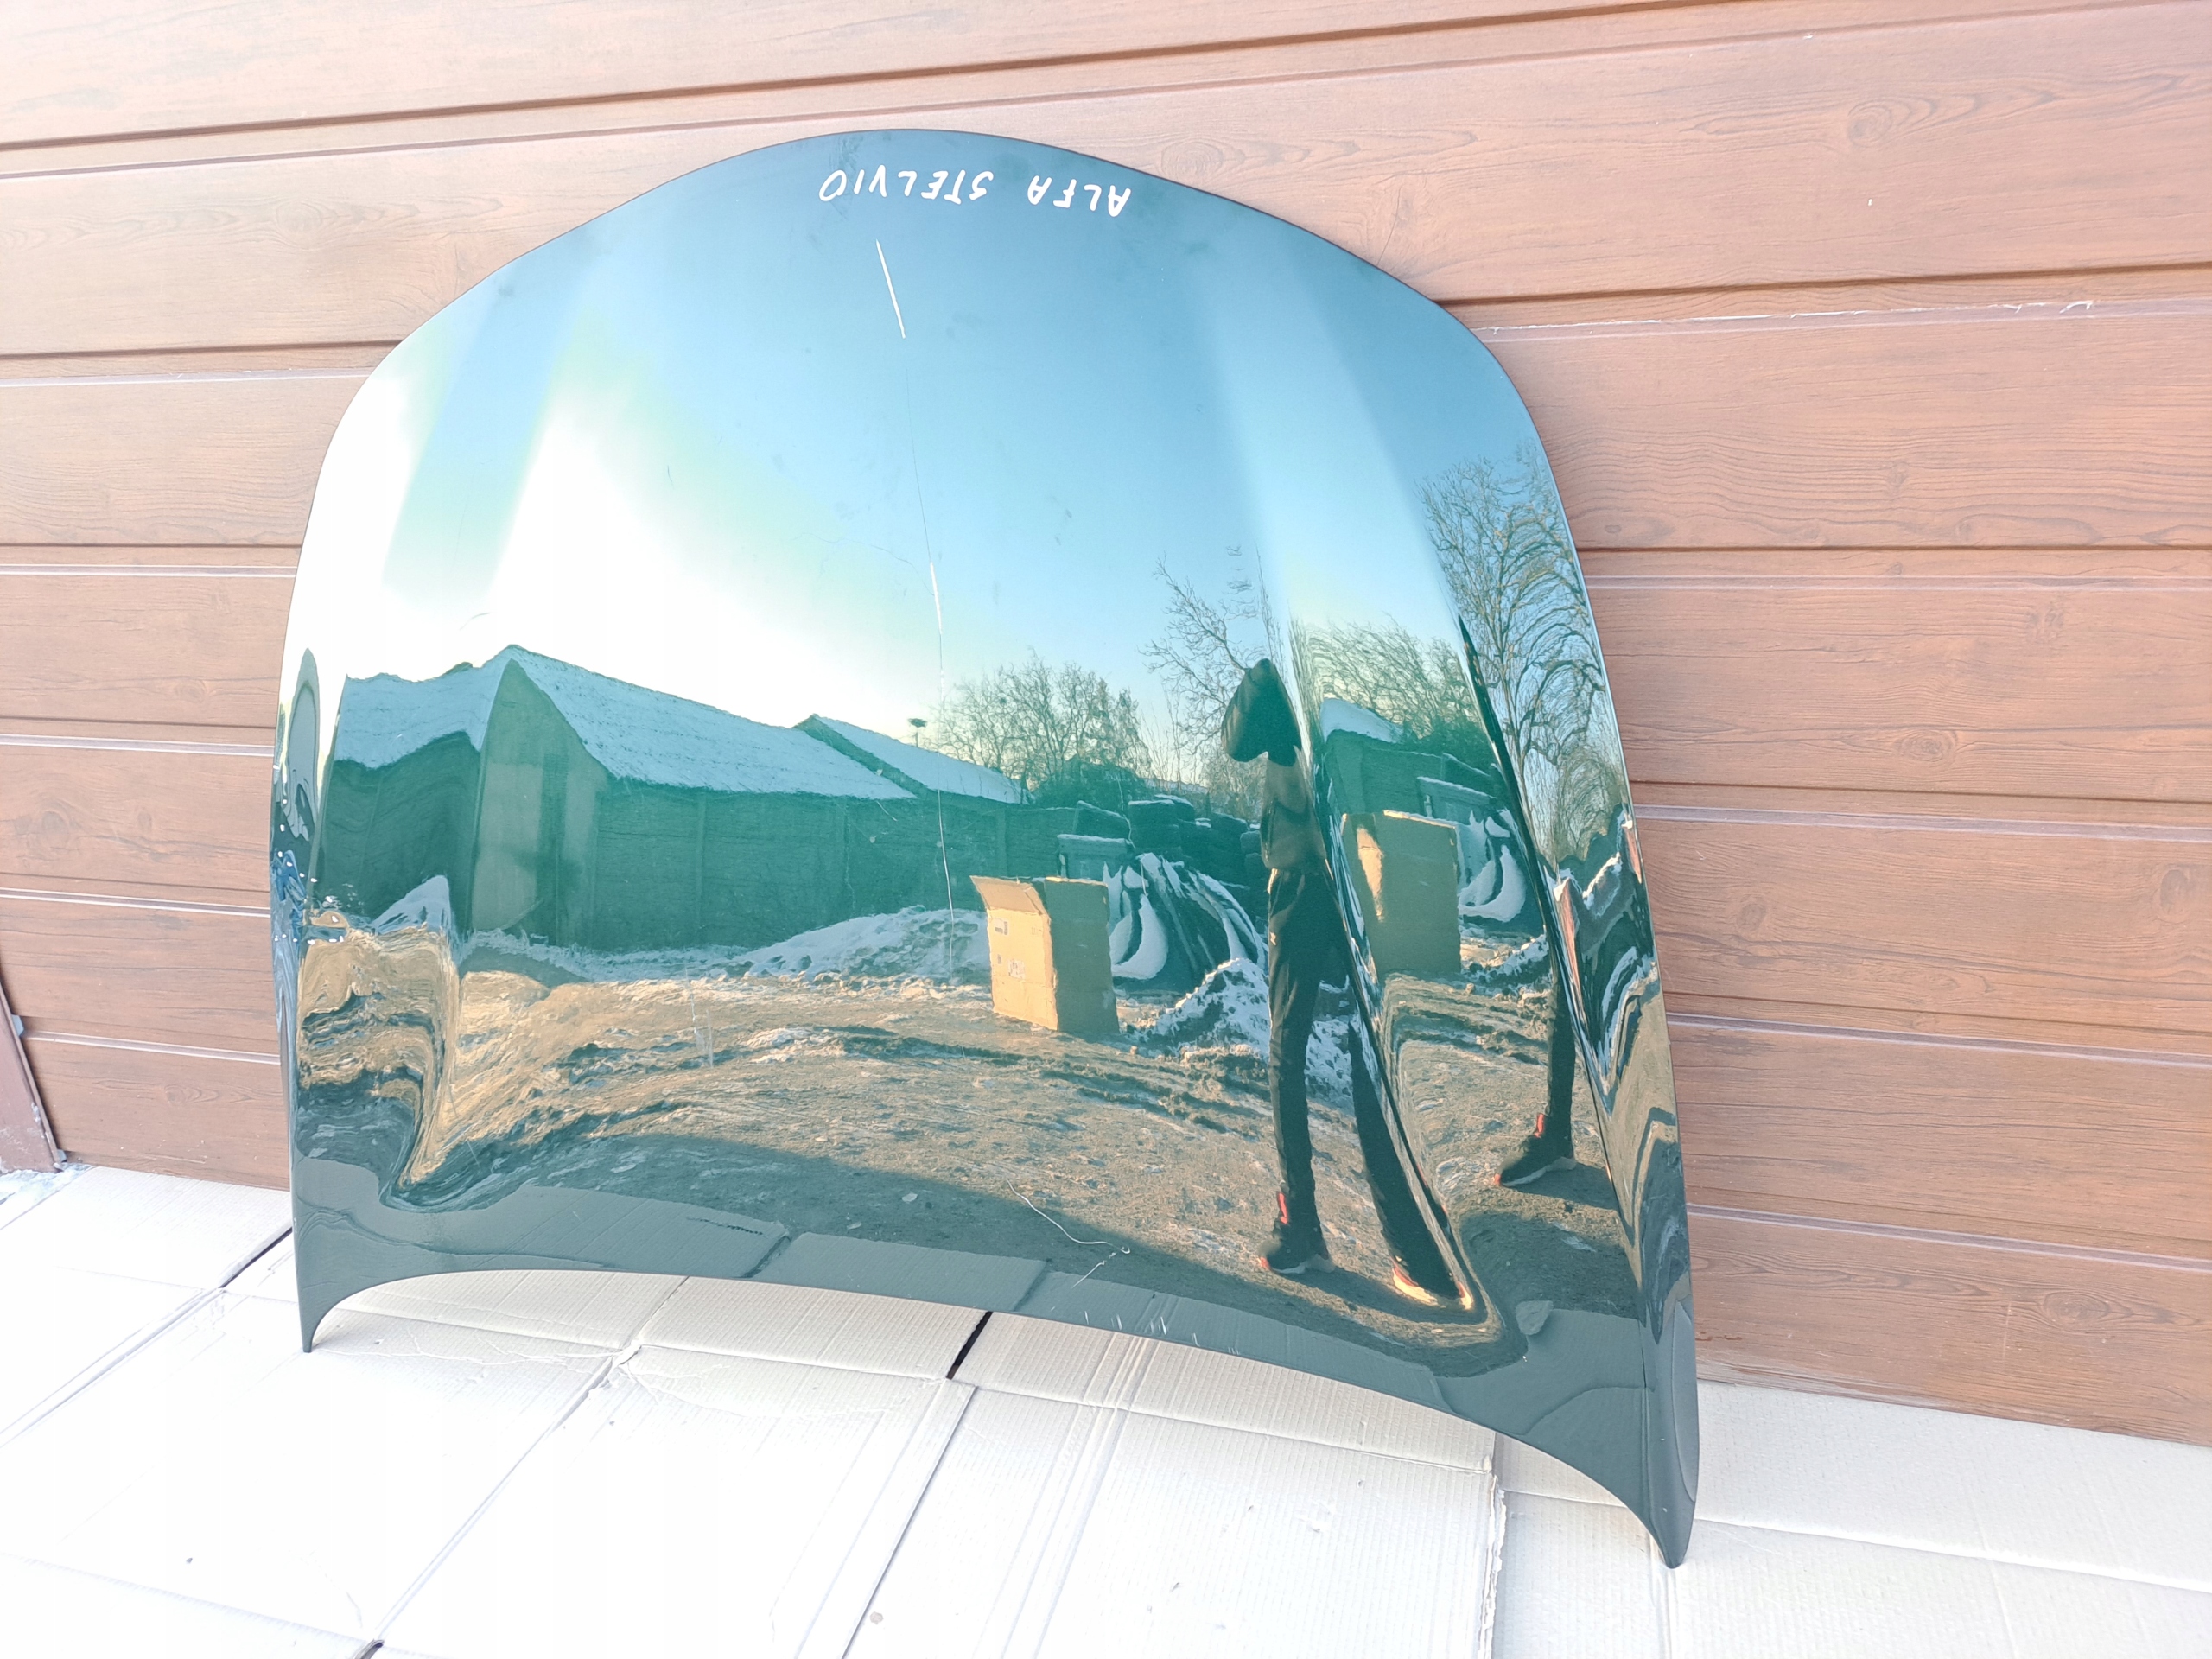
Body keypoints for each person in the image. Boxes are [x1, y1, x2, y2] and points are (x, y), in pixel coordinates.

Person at [1220, 660, 1466, 1307]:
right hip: (1363, 865)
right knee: (1374, 1044)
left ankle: (1302, 1226)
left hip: (1304, 879)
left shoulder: (1284, 678)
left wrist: (1259, 676)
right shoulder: (1355, 684)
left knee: (1290, 1048)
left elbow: (1235, 742)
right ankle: (1414, 1247)